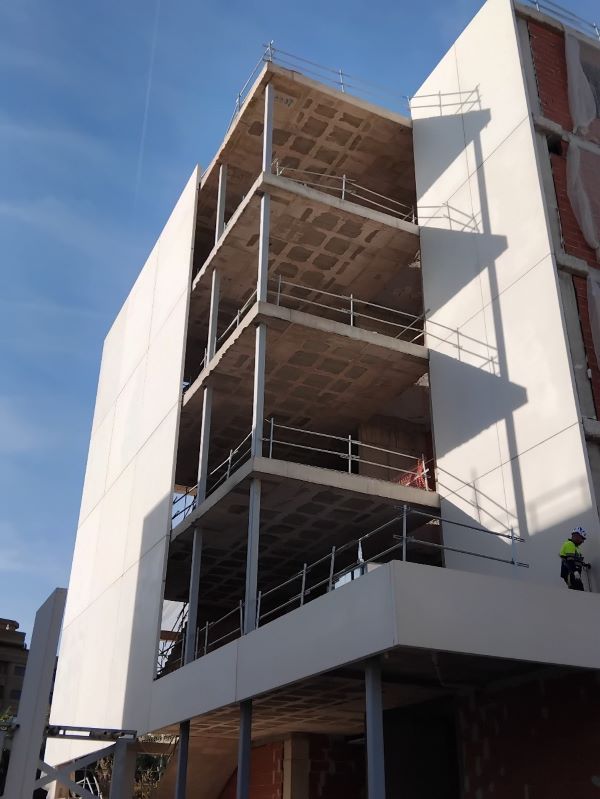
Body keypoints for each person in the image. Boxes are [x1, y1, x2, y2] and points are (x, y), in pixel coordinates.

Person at [559, 526, 587, 590]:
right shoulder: (570, 544)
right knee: (579, 591)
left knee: (578, 591)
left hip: (572, 574)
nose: (582, 541)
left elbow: (576, 561)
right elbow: (570, 560)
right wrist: (575, 572)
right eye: (582, 538)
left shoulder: (575, 547)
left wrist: (584, 564)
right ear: (576, 536)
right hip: (570, 574)